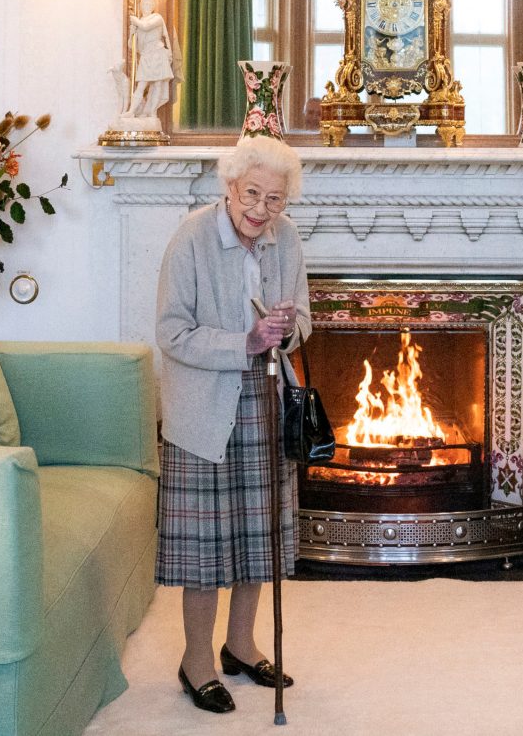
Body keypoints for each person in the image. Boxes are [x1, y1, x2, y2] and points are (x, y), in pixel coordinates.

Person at [154, 135, 311, 715]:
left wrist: (287, 328)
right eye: (252, 194)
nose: (261, 210)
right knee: (206, 547)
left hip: (266, 400)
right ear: (229, 186)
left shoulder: (286, 238)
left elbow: (305, 319)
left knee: (256, 535)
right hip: (203, 408)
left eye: (274, 199)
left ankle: (240, 646)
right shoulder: (192, 237)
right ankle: (196, 661)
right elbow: (170, 333)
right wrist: (243, 341)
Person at [128, 0, 180, 119]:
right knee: (141, 84)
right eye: (145, 3)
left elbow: (146, 27)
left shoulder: (157, 18)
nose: (147, 5)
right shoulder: (139, 22)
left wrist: (136, 21)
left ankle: (152, 112)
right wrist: (131, 33)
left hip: (158, 54)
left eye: (150, 3)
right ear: (141, 5)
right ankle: (131, 111)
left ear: (153, 6)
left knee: (157, 84)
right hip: (146, 56)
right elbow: (132, 46)